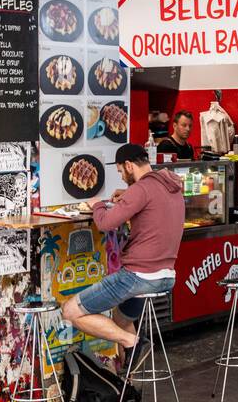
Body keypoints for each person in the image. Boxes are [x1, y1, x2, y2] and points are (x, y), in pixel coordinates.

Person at [63, 143, 186, 370]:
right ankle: (130, 383)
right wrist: (129, 195)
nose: (121, 177)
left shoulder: (141, 190)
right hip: (166, 275)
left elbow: (105, 223)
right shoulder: (171, 186)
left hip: (138, 276)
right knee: (121, 320)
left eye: (120, 171)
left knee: (70, 311)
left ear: (129, 165)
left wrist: (96, 204)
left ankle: (132, 342)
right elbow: (151, 208)